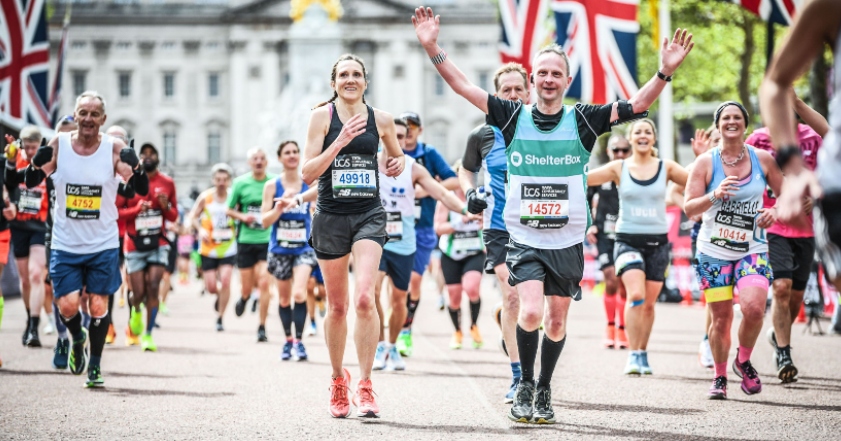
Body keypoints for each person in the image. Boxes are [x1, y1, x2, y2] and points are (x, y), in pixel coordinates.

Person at [413, 6, 693, 423]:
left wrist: (665, 72)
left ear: (565, 81)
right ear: (532, 80)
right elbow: (463, 86)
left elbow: (636, 104)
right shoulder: (510, 117)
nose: (547, 79)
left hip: (566, 240)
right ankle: (524, 382)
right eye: (541, 73)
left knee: (557, 320)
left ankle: (544, 387)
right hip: (522, 236)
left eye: (555, 74)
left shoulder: (583, 120)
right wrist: (433, 47)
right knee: (528, 311)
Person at [301, 53, 404, 418]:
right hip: (330, 216)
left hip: (368, 215)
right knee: (338, 306)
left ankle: (365, 383)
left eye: (356, 74)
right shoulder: (321, 118)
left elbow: (396, 157)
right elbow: (308, 173)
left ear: (365, 81)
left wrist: (396, 162)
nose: (350, 79)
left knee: (364, 298)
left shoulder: (382, 120)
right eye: (343, 74)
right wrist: (339, 141)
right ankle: (337, 380)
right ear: (333, 83)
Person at [31, 90, 144, 387]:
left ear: (103, 120)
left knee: (97, 306)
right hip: (66, 243)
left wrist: (137, 166)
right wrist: (35, 162)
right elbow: (31, 181)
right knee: (67, 305)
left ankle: (94, 364)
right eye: (84, 113)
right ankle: (77, 337)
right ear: (76, 115)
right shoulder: (60, 144)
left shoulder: (113, 148)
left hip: (103, 243)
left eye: (95, 114)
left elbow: (138, 188)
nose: (88, 119)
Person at [684, 101, 783, 400]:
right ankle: (720, 376)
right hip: (713, 252)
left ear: (745, 124)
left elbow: (786, 191)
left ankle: (743, 359)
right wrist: (714, 195)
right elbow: (689, 208)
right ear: (718, 125)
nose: (731, 122)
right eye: (725, 117)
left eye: (737, 117)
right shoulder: (705, 163)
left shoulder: (763, 159)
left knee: (754, 309)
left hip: (752, 248)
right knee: (722, 318)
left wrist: (775, 210)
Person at [586, 119, 688, 375]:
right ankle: (632, 354)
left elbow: (699, 180)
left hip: (658, 243)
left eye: (648, 132)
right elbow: (583, 179)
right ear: (631, 139)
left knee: (649, 305)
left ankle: (642, 352)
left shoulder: (667, 167)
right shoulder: (618, 167)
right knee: (635, 296)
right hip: (627, 240)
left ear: (653, 139)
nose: (643, 135)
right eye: (638, 132)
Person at [373, 118, 468, 372]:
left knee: (398, 298)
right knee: (371, 294)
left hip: (403, 240)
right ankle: (380, 344)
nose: (398, 140)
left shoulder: (414, 167)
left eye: (403, 136)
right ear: (383, 137)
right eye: (393, 135)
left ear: (407, 139)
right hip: (374, 239)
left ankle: (392, 346)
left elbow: (442, 192)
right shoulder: (369, 164)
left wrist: (465, 209)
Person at [458, 62, 529, 403]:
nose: (513, 96)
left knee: (534, 305)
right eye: (506, 91)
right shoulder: (483, 134)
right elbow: (466, 169)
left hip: (540, 226)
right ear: (496, 95)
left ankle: (509, 322)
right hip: (499, 226)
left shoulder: (544, 129)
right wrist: (470, 192)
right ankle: (519, 376)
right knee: (513, 295)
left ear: (528, 93)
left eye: (518, 89)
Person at [758, 0, 841, 289]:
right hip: (836, 189)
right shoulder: (829, 7)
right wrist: (793, 166)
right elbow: (775, 85)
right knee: (785, 289)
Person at [747, 97, 823, 384]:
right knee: (780, 287)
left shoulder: (813, 137)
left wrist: (815, 199)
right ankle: (784, 353)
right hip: (773, 225)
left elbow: (831, 171)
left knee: (795, 296)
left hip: (808, 227)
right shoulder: (758, 139)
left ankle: (778, 334)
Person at [394, 110, 459, 358]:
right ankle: (390, 332)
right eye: (404, 126)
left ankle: (405, 330)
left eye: (413, 126)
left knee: (414, 282)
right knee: (391, 287)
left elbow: (453, 181)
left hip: (420, 228)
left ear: (420, 130)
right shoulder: (391, 152)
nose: (408, 131)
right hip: (391, 226)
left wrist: (426, 190)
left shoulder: (428, 154)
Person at [669, 125, 721, 369]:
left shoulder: (744, 163)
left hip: (737, 235)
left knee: (729, 296)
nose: (721, 142)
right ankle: (708, 340)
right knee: (715, 292)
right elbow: (673, 193)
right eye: (716, 138)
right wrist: (694, 211)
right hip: (705, 234)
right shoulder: (701, 164)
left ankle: (721, 339)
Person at [262, 140, 318, 361]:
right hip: (280, 249)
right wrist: (278, 208)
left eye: (295, 151)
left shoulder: (310, 185)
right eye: (287, 152)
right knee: (284, 299)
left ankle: (300, 342)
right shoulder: (272, 186)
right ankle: (288, 341)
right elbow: (265, 221)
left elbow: (316, 213)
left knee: (299, 293)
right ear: (280, 158)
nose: (293, 155)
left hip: (303, 248)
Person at [121, 143, 178, 352]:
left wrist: (166, 206)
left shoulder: (167, 183)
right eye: (143, 153)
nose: (147, 157)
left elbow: (173, 216)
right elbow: (117, 212)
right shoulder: (129, 181)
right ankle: (135, 310)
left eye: (151, 153)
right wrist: (136, 209)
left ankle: (148, 334)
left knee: (154, 287)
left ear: (157, 157)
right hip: (134, 243)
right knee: (138, 293)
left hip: (158, 242)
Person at [4, 126, 50, 348]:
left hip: (40, 226)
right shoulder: (14, 161)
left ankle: (34, 327)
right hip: (19, 225)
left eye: (35, 147)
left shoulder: (46, 162)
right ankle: (29, 316)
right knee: (25, 280)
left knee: (35, 275)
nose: (32, 152)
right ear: (21, 145)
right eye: (28, 147)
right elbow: (8, 182)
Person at [586, 135, 631, 350]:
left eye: (624, 150)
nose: (620, 154)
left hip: (627, 234)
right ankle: (610, 326)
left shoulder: (634, 174)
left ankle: (622, 329)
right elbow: (584, 198)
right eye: (616, 150)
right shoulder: (602, 174)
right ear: (609, 152)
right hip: (604, 234)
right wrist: (589, 224)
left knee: (623, 282)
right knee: (611, 278)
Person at [434, 171, 485, 350]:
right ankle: (457, 331)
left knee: (472, 288)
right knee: (454, 298)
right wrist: (460, 222)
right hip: (451, 253)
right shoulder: (447, 200)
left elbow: (491, 221)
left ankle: (474, 325)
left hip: (475, 251)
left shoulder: (481, 197)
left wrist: (483, 223)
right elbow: (439, 228)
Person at [228, 148, 274, 342]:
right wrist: (243, 217)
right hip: (246, 240)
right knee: (247, 287)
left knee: (264, 283)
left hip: (267, 239)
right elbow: (229, 210)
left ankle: (262, 326)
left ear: (267, 162)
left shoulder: (273, 183)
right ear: (249, 163)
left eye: (262, 158)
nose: (259, 161)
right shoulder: (240, 183)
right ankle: (245, 298)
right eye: (255, 158)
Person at [187, 163, 237, 332]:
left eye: (225, 179)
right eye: (218, 179)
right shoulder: (205, 197)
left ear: (229, 181)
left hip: (228, 246)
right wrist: (200, 229)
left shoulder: (233, 196)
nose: (221, 182)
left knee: (226, 280)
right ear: (213, 180)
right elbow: (193, 217)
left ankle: (220, 317)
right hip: (208, 248)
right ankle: (219, 297)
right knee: (211, 287)